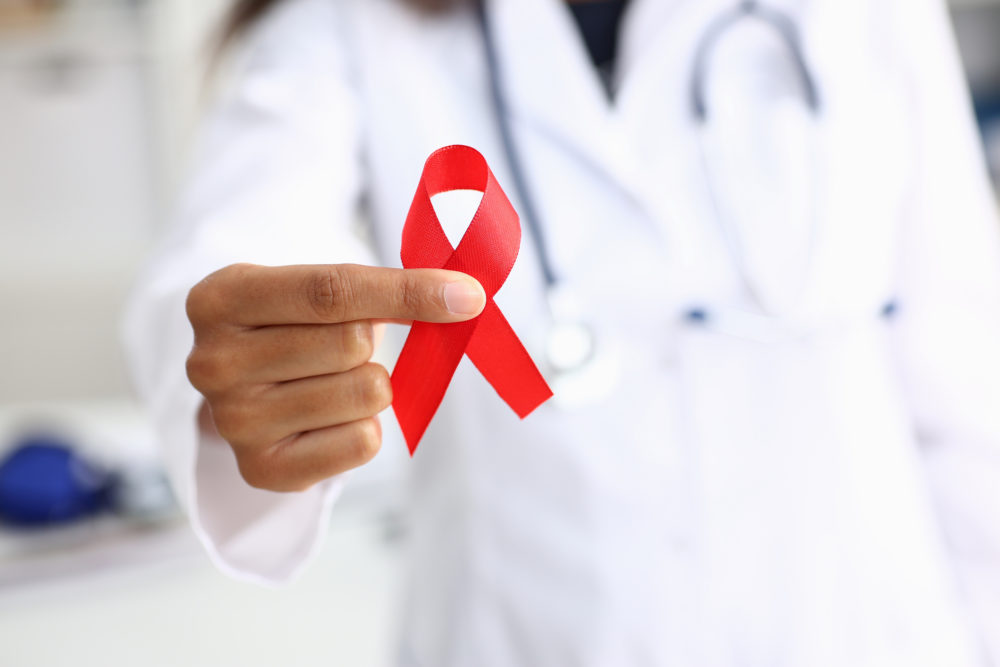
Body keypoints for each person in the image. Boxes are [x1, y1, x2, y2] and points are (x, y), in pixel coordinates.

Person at [123, 0, 1000, 664]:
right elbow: (234, 246)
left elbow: (965, 379)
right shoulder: (350, 26)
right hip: (533, 631)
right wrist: (250, 359)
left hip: (860, 628)